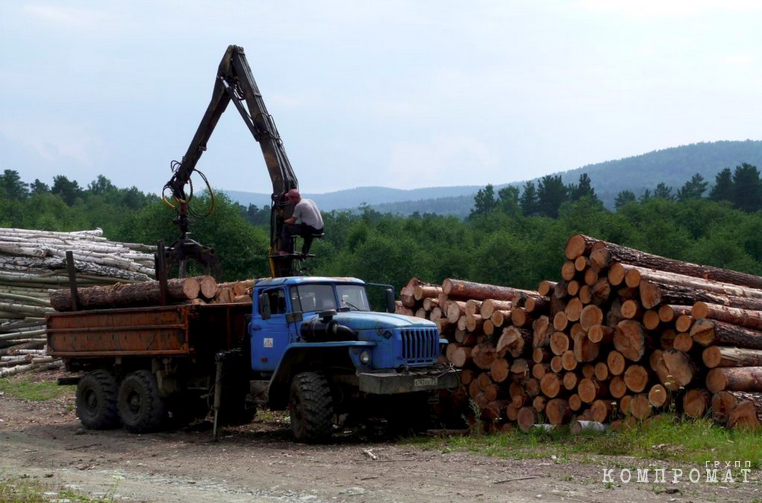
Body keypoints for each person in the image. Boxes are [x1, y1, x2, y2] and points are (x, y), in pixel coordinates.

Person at [280, 189, 324, 255]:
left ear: (293, 198)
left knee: (286, 228)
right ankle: (304, 252)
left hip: (311, 229)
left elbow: (292, 221)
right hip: (320, 228)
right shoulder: (309, 201)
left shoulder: (299, 205)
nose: (289, 201)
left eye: (289, 199)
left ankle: (285, 251)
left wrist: (283, 221)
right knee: (305, 227)